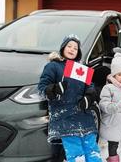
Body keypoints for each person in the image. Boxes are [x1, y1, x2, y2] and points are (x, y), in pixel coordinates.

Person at [38, 34, 102, 162]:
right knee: (76, 153)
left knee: (92, 150)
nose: (72, 49)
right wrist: (54, 89)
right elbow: (42, 87)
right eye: (69, 46)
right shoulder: (53, 66)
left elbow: (90, 87)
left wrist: (89, 97)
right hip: (64, 117)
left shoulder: (81, 69)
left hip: (84, 116)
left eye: (75, 48)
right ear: (63, 48)